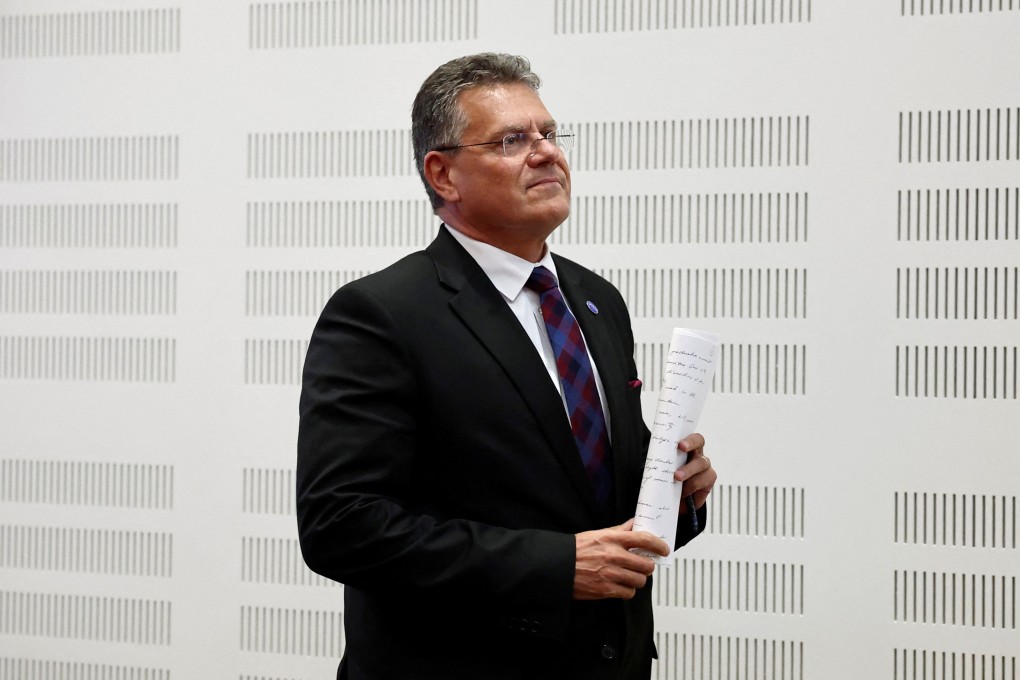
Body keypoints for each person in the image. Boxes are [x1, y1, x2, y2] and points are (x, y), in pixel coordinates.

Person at [296, 52, 716, 680]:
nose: (546, 152)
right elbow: (343, 525)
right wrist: (553, 567)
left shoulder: (598, 301)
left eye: (549, 133)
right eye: (513, 140)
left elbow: (582, 505)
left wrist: (672, 499)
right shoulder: (382, 314)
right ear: (443, 174)